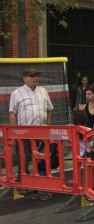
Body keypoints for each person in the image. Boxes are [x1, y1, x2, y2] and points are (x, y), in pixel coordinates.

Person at [9, 68, 56, 199]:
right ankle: (23, 185)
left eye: (37, 75)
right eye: (32, 76)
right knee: (24, 158)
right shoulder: (16, 93)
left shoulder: (43, 91)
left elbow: (50, 109)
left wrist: (49, 126)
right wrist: (14, 133)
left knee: (41, 160)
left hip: (41, 132)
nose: (35, 78)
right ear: (24, 78)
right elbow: (12, 113)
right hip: (24, 132)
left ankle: (41, 185)